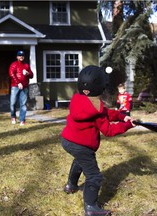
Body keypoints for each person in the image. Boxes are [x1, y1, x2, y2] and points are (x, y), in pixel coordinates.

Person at [61, 65, 135, 216]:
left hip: (67, 140)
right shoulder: (96, 111)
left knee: (79, 161)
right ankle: (91, 207)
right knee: (94, 176)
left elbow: (105, 112)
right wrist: (127, 125)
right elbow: (108, 130)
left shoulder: (78, 98)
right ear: (100, 87)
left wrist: (121, 116)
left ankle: (71, 185)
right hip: (82, 146)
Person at [9, 51, 33, 126]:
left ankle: (22, 120)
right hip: (15, 86)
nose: (21, 57)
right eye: (19, 55)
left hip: (25, 87)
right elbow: (11, 74)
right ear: (17, 57)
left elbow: (32, 75)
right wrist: (18, 83)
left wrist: (28, 73)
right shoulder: (14, 64)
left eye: (22, 55)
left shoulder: (26, 65)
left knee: (23, 104)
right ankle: (13, 117)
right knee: (13, 103)